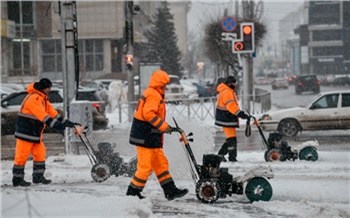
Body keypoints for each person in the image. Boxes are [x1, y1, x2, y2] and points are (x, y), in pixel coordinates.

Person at [126, 70, 188, 200]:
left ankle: (170, 191)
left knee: (161, 164)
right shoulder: (153, 95)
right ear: (160, 84)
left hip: (150, 136)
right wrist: (165, 127)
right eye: (165, 84)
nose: (166, 87)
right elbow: (149, 114)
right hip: (145, 136)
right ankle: (132, 193)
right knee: (145, 167)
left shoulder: (154, 93)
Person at [12, 78, 79, 187]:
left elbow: (53, 113)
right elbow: (43, 116)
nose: (49, 89)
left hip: (35, 133)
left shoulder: (43, 99)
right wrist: (58, 126)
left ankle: (38, 177)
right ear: (42, 88)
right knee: (21, 156)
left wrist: (67, 122)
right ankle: (17, 180)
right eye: (48, 87)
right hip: (25, 133)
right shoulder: (34, 98)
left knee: (40, 154)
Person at [215, 76, 249, 162]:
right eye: (234, 83)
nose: (235, 85)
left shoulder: (227, 91)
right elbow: (230, 106)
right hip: (226, 118)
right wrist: (240, 113)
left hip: (225, 118)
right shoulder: (227, 92)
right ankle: (231, 157)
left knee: (231, 139)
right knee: (232, 139)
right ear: (230, 83)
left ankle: (221, 155)